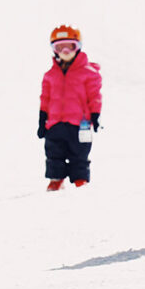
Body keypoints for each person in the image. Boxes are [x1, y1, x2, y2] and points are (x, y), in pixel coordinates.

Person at [38, 25, 102, 191]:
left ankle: (80, 179)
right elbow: (45, 98)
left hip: (79, 124)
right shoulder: (49, 76)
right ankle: (56, 179)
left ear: (78, 47)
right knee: (53, 153)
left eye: (70, 46)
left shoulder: (89, 73)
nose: (65, 50)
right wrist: (42, 119)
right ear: (54, 49)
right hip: (54, 123)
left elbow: (95, 96)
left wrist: (95, 115)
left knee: (79, 154)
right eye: (60, 47)